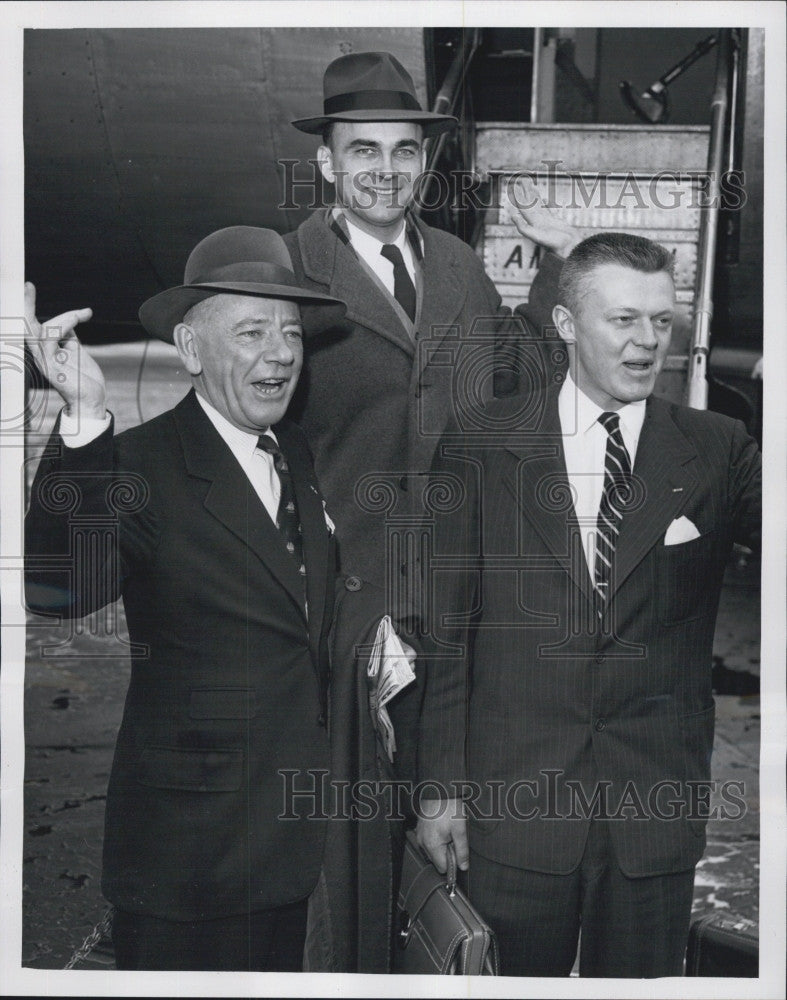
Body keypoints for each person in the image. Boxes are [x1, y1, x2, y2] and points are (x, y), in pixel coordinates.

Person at [281, 50, 578, 972]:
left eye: (404, 150)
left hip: (454, 601)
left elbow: (526, 385)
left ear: (424, 160)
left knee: (443, 832)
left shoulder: (455, 265)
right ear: (326, 161)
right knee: (344, 852)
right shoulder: (287, 266)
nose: (385, 169)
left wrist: (555, 283)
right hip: (346, 606)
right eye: (361, 149)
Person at [415, 232, 761, 977]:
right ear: (567, 326)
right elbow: (446, 632)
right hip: (515, 806)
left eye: (659, 322)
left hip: (651, 815)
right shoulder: (481, 440)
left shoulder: (717, 447)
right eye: (622, 320)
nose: (646, 343)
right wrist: (440, 789)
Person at [24, 227, 346, 971]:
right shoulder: (140, 463)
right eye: (252, 331)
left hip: (293, 849)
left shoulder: (293, 455)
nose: (281, 352)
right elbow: (56, 589)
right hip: (190, 860)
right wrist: (82, 420)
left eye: (291, 332)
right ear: (193, 351)